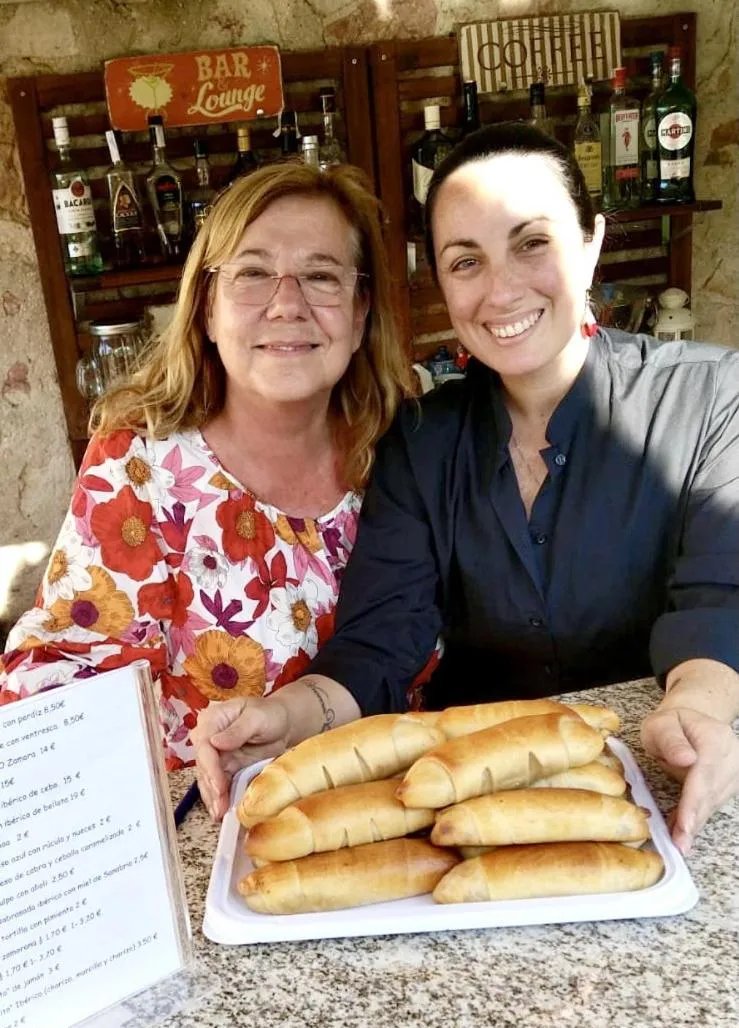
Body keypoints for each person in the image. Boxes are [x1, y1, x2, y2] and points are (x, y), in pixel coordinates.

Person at [192, 123, 739, 854]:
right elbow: (379, 639)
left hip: (652, 787)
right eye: (465, 261)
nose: (501, 287)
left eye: (531, 243)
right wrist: (284, 716)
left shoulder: (709, 398)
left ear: (590, 242)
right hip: (473, 811)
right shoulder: (421, 439)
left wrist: (695, 708)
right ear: (439, 282)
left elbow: (717, 596)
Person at [0, 162, 412, 769]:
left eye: (321, 276)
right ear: (207, 311)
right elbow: (58, 682)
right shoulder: (141, 468)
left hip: (404, 810)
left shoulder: (399, 447)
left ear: (359, 315)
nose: (287, 304)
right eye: (253, 273)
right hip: (220, 830)